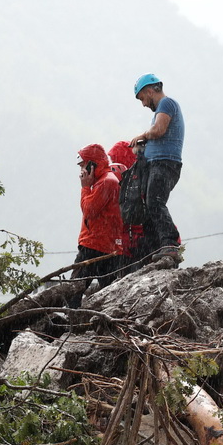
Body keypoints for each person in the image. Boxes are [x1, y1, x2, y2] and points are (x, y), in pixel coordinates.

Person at [129, 73, 184, 268]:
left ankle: (169, 242)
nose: (144, 104)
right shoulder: (163, 107)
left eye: (143, 98)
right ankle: (157, 247)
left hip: (165, 163)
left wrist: (143, 135)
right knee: (150, 204)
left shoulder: (167, 104)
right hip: (158, 163)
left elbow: (159, 130)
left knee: (155, 201)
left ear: (150, 91)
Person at [68, 143, 125, 309]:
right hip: (107, 246)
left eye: (83, 165)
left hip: (95, 245)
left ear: (92, 165)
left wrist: (85, 188)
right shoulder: (104, 181)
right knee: (108, 292)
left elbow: (89, 211)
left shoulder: (105, 183)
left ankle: (70, 322)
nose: (81, 170)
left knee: (75, 289)